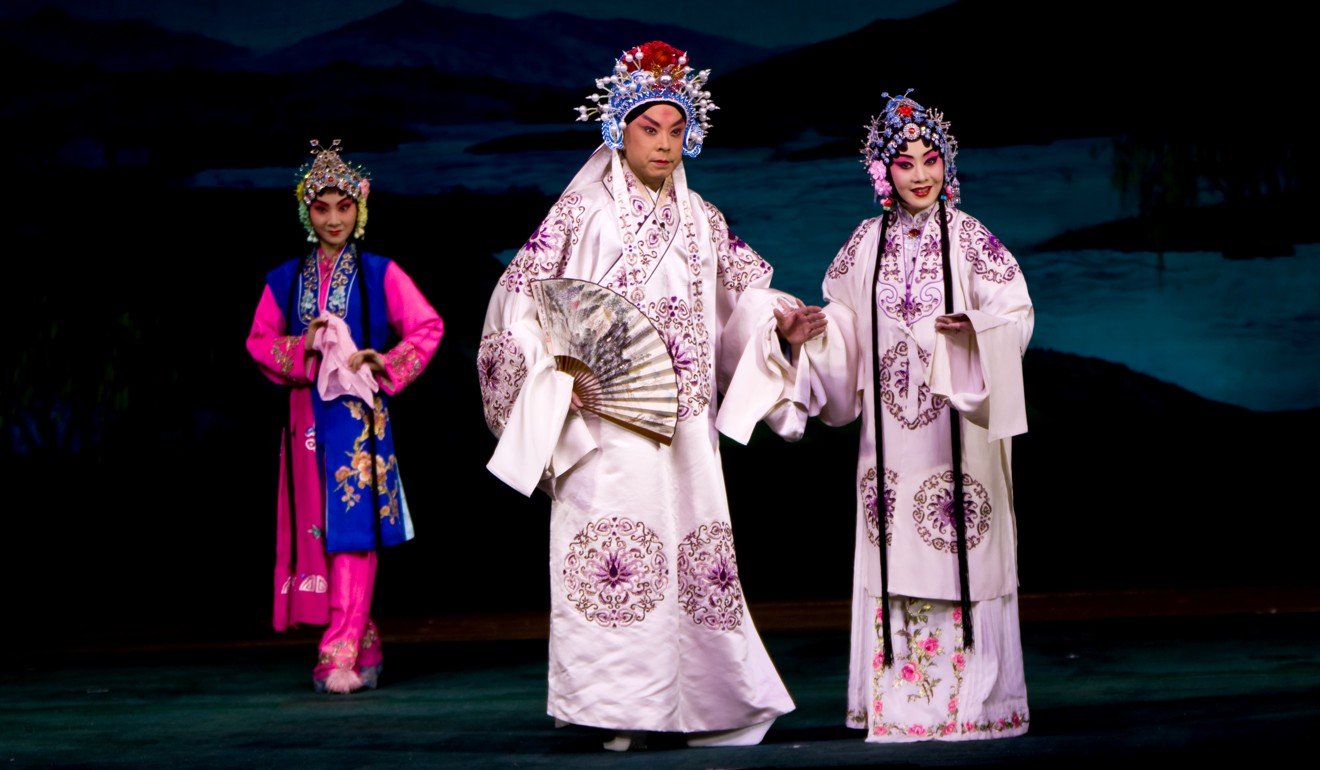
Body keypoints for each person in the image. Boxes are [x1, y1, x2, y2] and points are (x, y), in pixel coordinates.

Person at [477, 41, 821, 750]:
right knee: (617, 556)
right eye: (647, 129)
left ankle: (711, 704)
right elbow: (520, 301)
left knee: (695, 554)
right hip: (606, 416)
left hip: (684, 416)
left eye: (674, 129)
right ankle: (616, 710)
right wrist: (554, 371)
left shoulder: (705, 220)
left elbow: (744, 294)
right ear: (618, 132)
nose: (663, 144)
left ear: (689, 134)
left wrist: (782, 317)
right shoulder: (582, 215)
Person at [763, 90, 1034, 741]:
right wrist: (811, 335)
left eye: (930, 159)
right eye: (905, 163)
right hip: (890, 437)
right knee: (897, 556)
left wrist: (971, 329)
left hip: (959, 432)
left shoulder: (973, 241)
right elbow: (846, 331)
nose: (921, 174)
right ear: (882, 173)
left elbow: (1016, 316)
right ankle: (905, 705)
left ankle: (973, 704)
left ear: (948, 164)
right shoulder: (863, 245)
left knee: (959, 545)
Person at [246, 140, 444, 693]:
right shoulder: (283, 279)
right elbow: (258, 342)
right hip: (305, 419)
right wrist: (300, 344)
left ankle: (337, 654)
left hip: (359, 422)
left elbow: (428, 327)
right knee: (318, 534)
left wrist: (385, 362)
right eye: (321, 207)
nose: (334, 218)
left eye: (343, 206)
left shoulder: (382, 273)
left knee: (352, 532)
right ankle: (366, 639)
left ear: (360, 209)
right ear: (305, 212)